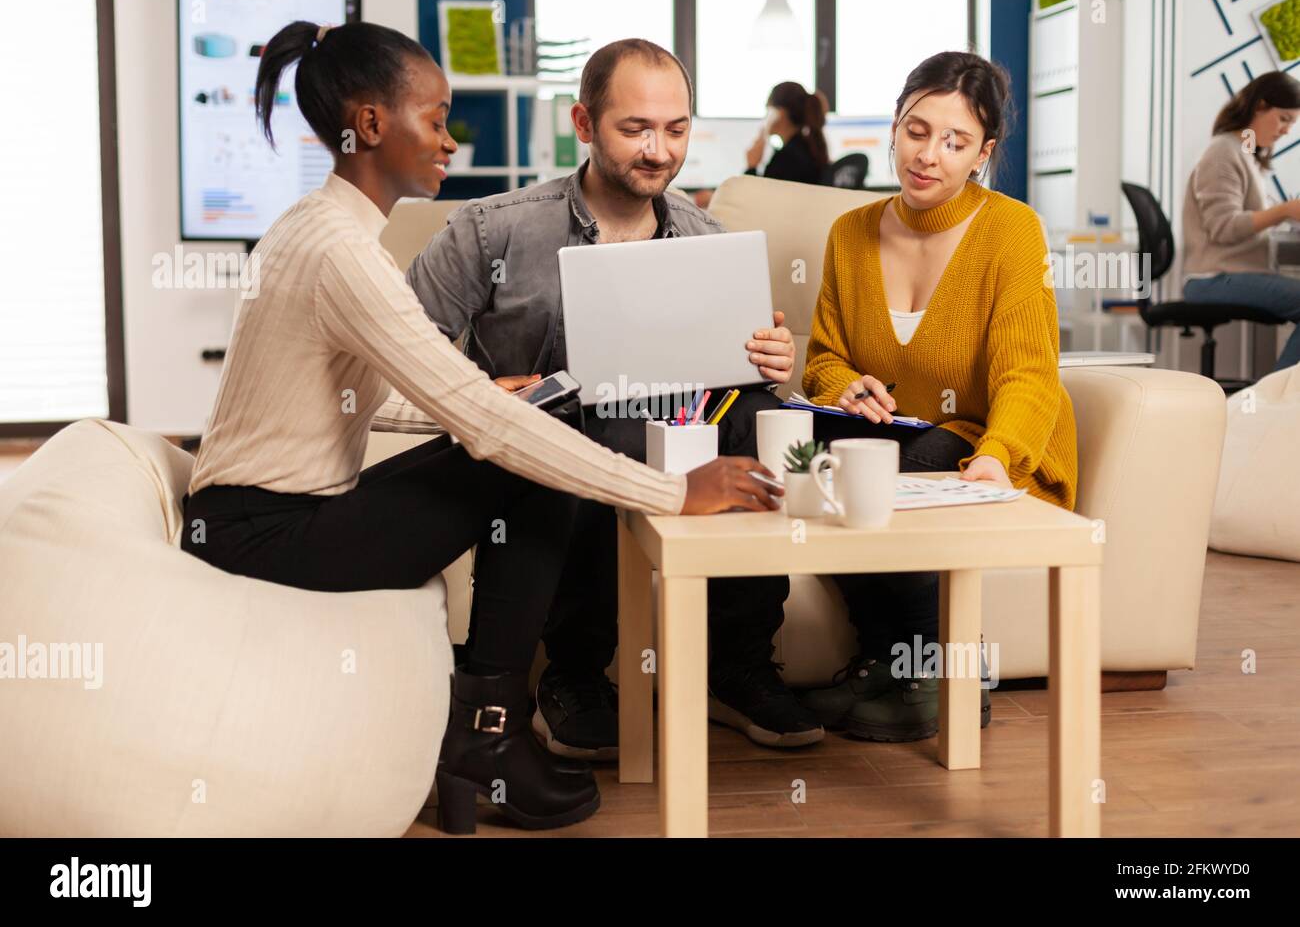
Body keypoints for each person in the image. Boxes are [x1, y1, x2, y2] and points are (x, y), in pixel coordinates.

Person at [180, 20, 783, 833]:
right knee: (518, 458)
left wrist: (485, 388)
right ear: (369, 125)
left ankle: (484, 737)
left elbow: (353, 396)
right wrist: (673, 490)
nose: (449, 141)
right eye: (434, 120)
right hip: (263, 531)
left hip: (259, 513)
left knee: (521, 437)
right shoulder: (342, 252)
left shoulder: (325, 229)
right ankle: (486, 740)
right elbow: (488, 432)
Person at [405, 39, 825, 760]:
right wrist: (475, 388)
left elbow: (747, 378)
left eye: (676, 129)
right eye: (635, 129)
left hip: (680, 430)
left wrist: (771, 364)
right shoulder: (494, 228)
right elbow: (400, 340)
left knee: (766, 420)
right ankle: (574, 675)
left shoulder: (704, 239)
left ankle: (737, 667)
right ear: (583, 122)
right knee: (588, 428)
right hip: (556, 448)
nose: (659, 151)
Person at [797, 51, 1079, 742]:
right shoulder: (850, 233)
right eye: (917, 131)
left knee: (906, 469)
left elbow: (1028, 374)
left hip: (987, 440)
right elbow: (823, 360)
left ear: (981, 154)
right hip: (891, 436)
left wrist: (997, 456)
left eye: (955, 143)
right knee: (805, 463)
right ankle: (884, 656)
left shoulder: (1012, 232)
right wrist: (846, 386)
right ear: (894, 127)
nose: (929, 156)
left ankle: (949, 676)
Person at [1182, 71, 1300, 372]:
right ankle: (1274, 402)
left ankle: (1279, 401)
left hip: (1233, 275)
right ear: (1259, 106)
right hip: (1212, 279)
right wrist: (1284, 210)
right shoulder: (1223, 152)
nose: (1287, 130)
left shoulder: (1247, 156)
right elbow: (1224, 228)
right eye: (1284, 118)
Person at [744, 81, 830, 185]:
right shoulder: (808, 149)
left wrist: (751, 167)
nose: (766, 118)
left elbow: (758, 199)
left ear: (780, 113)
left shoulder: (786, 159)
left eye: (768, 110)